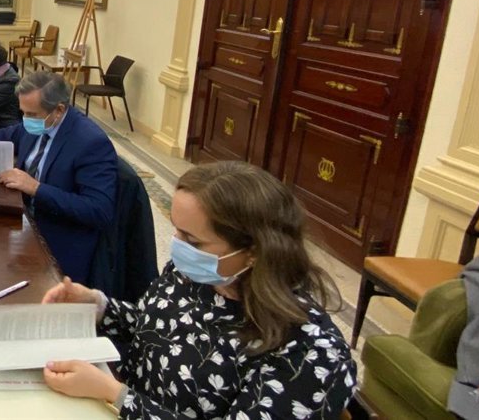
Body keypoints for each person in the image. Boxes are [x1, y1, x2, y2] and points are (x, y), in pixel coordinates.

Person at [41, 161, 355, 418]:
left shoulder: (309, 350)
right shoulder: (195, 275)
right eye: (176, 230)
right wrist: (97, 305)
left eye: (193, 240)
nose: (177, 246)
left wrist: (117, 394)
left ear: (255, 251)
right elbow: (156, 327)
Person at [0, 71, 116, 283]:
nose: (26, 120)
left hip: (58, 239)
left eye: (32, 114)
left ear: (59, 110)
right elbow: (2, 136)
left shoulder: (91, 142)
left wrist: (36, 188)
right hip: (23, 221)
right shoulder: (37, 123)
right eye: (23, 113)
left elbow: (99, 210)